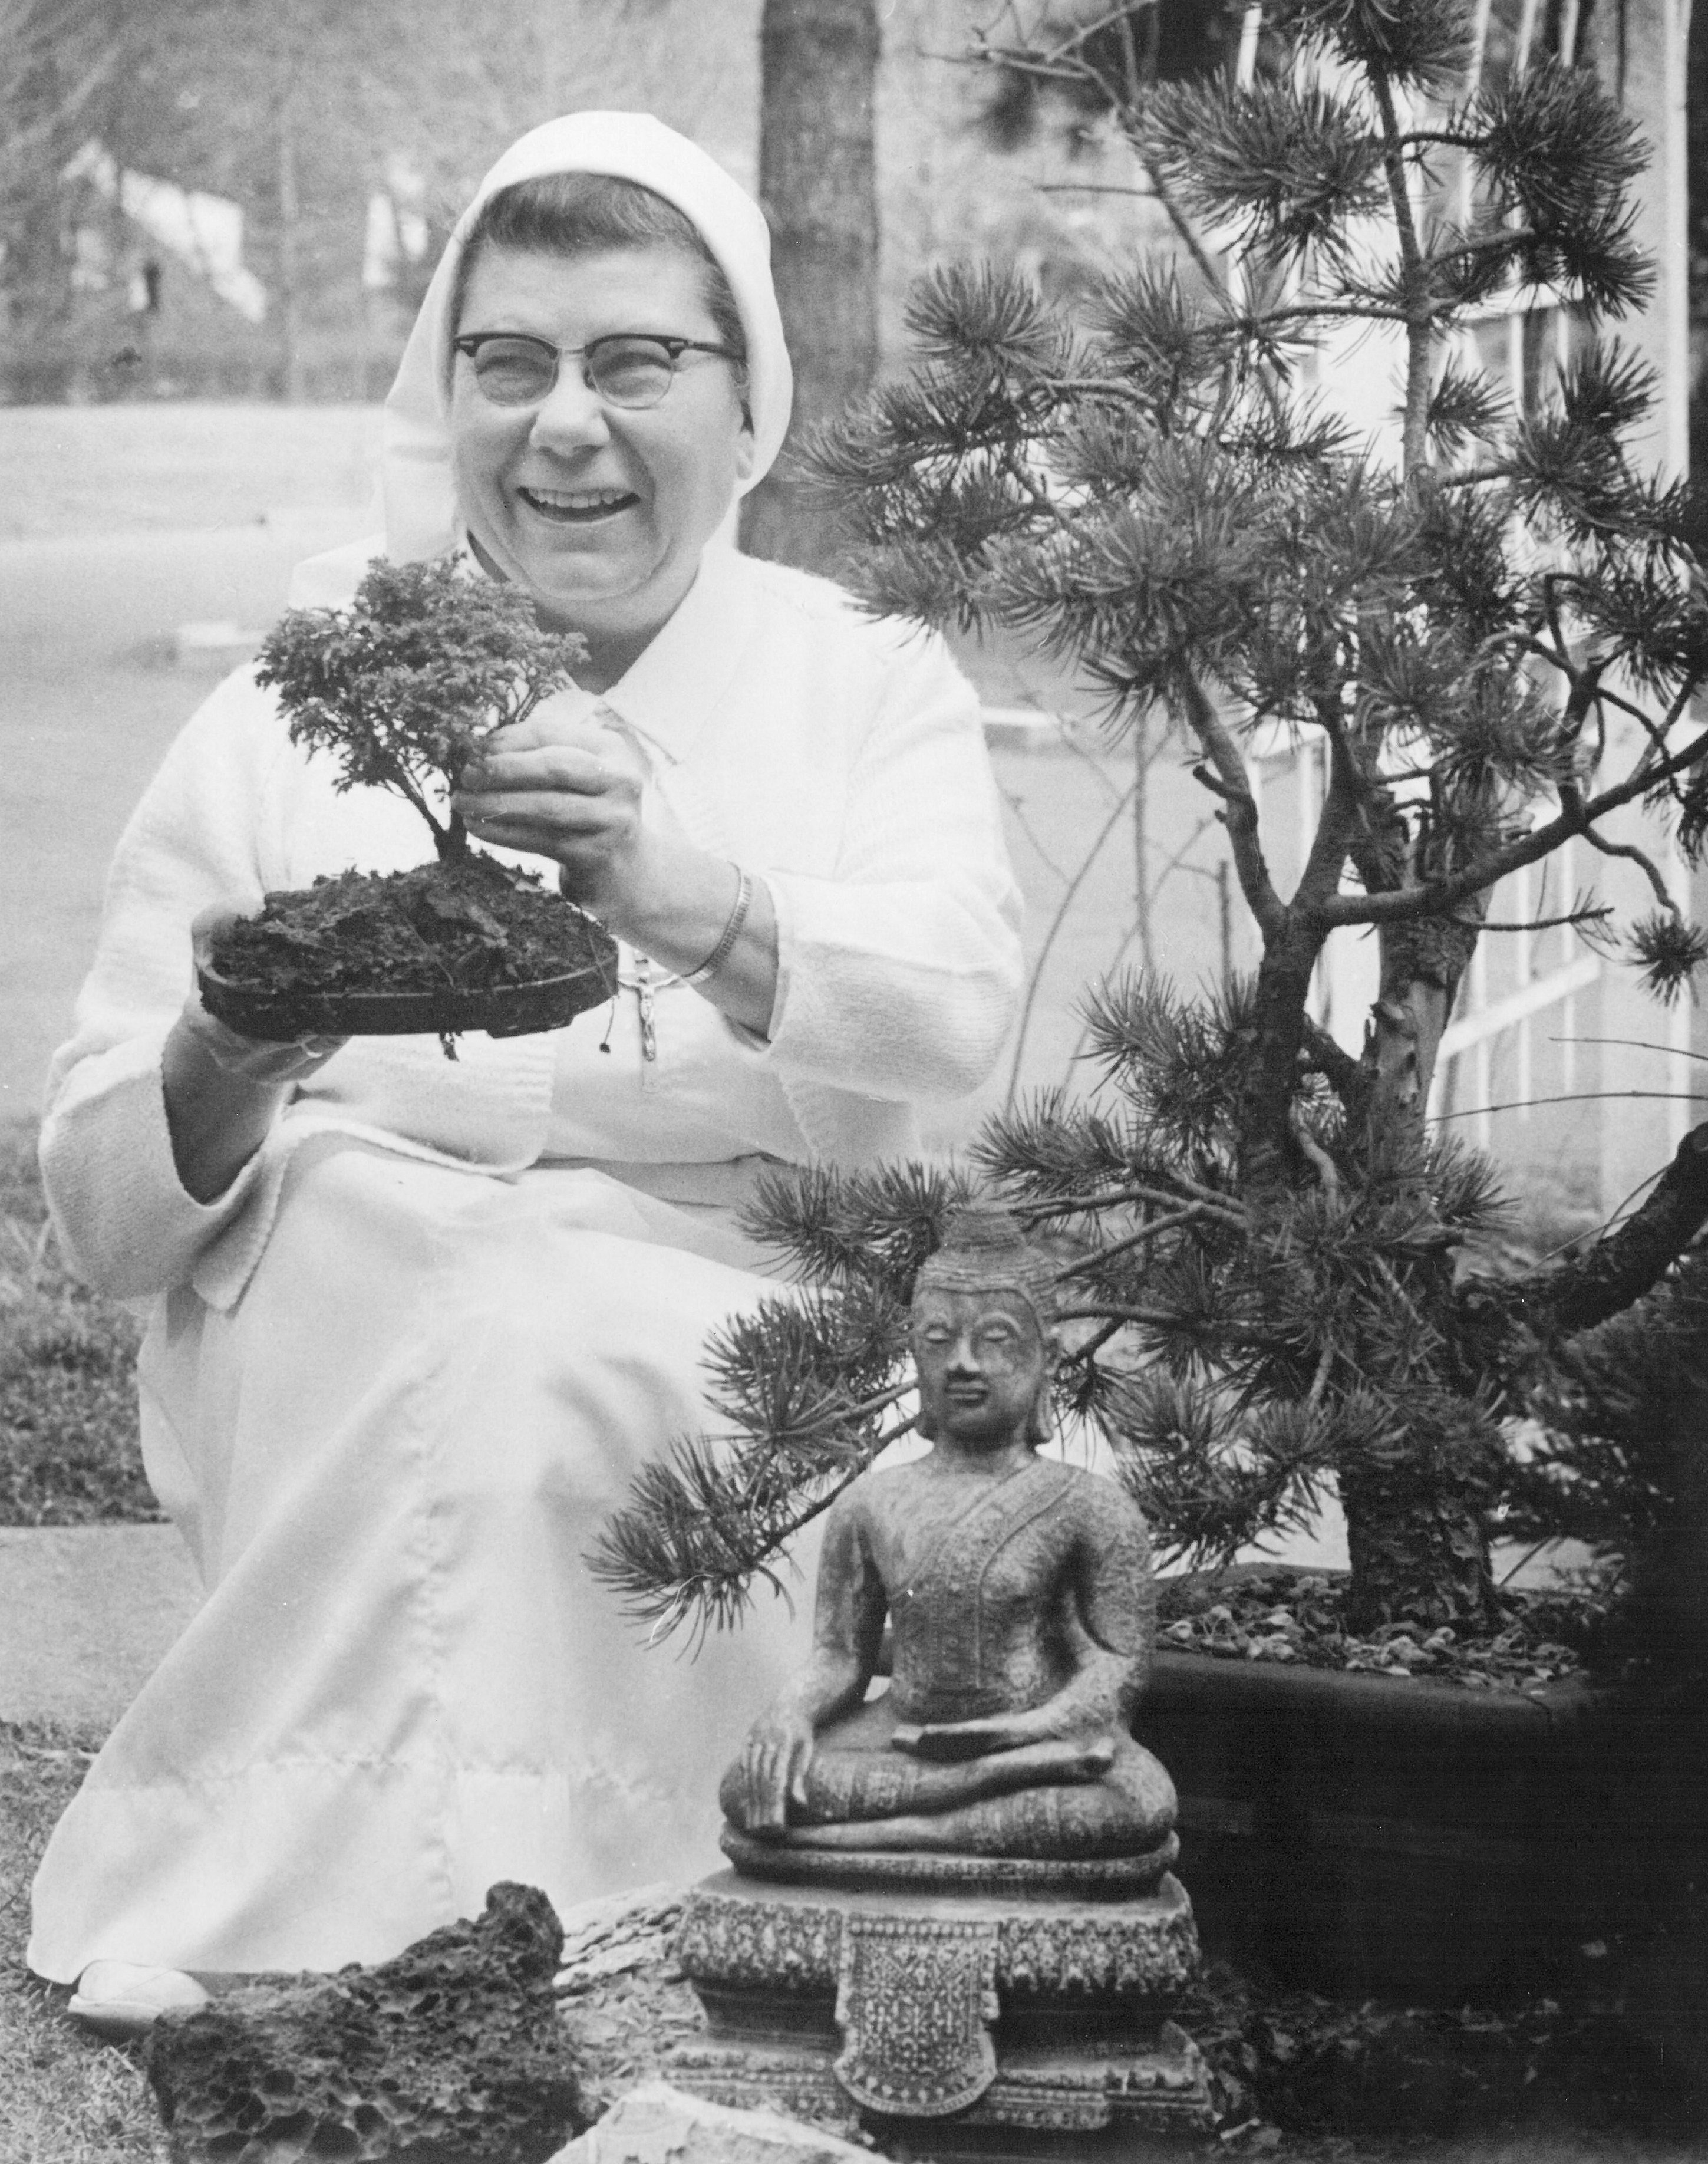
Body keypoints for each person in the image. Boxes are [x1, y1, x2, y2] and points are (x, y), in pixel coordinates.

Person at [28, 113, 1023, 2028]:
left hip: (731, 1320)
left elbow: (951, 1009)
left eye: (633, 362)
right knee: (410, 1255)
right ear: (449, 393)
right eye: (510, 364)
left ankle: (632, 1880)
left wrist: (675, 889)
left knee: (544, 1318)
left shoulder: (861, 677)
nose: (563, 422)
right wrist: (236, 1036)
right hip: (351, 1315)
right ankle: (285, 1866)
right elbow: (101, 1204)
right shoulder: (298, 695)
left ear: (744, 403)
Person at [721, 1207, 1176, 1862]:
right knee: (747, 1788)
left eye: (993, 1339)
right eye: (938, 1340)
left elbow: (1118, 1670)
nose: (962, 1363)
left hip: (1037, 1745)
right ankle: (959, 1810)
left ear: (1046, 1356)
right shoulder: (871, 1501)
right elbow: (841, 1658)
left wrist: (1016, 1733)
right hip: (904, 1740)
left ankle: (895, 1835)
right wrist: (788, 1714)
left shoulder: (1090, 1507)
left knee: (1135, 1804)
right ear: (915, 1352)